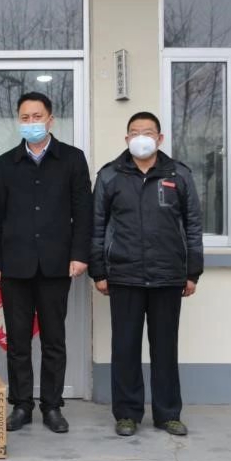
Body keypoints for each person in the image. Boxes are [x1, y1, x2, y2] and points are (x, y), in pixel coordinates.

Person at [0, 92, 93, 434]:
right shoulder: (6, 162)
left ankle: (52, 406)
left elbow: (84, 212)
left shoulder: (72, 159)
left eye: (37, 116)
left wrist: (79, 254)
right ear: (19, 121)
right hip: (15, 265)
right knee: (17, 341)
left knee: (53, 340)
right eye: (25, 117)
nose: (31, 122)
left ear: (50, 120)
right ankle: (21, 405)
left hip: (56, 265)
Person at [89, 111, 203, 437]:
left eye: (148, 132)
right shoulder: (110, 176)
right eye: (135, 132)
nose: (141, 137)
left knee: (165, 348)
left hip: (168, 275)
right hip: (123, 275)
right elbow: (97, 226)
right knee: (125, 348)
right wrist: (98, 270)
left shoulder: (179, 174)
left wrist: (192, 271)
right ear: (127, 139)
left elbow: (193, 225)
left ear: (160, 138)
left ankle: (168, 414)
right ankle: (127, 414)